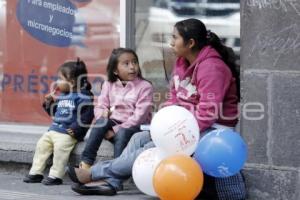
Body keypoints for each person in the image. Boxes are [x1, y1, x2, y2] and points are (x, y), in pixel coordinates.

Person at [67, 18, 246, 199]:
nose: (170, 42)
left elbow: (208, 114)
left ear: (190, 43)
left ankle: (93, 173)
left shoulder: (212, 68)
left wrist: (170, 133)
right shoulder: (182, 63)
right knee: (138, 138)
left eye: (175, 38)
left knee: (153, 147)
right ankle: (113, 182)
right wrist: (163, 124)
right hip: (186, 123)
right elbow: (174, 99)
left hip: (211, 129)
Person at [79, 48, 153, 170]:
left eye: (135, 62)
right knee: (100, 122)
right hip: (116, 123)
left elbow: (139, 117)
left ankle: (116, 173)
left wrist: (115, 130)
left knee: (123, 132)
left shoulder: (145, 87)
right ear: (115, 70)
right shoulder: (109, 84)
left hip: (136, 128)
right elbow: (100, 105)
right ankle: (86, 162)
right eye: (126, 64)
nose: (132, 67)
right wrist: (102, 115)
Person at [23, 58, 94, 185]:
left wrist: (76, 129)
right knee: (41, 146)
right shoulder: (63, 95)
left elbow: (86, 117)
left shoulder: (83, 97)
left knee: (60, 151)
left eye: (60, 79)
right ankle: (36, 172)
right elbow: (56, 113)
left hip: (67, 133)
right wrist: (49, 103)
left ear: (72, 82)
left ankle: (56, 175)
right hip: (53, 130)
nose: (57, 82)